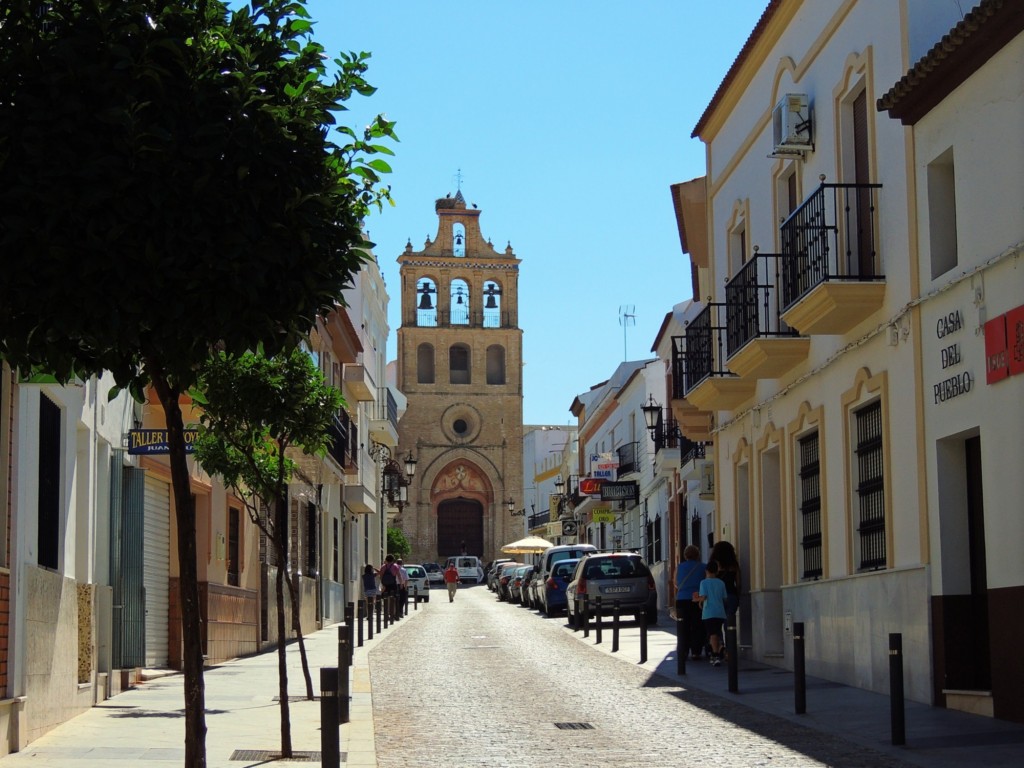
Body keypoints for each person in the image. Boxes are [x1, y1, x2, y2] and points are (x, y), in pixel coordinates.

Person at [675, 545, 707, 660]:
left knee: (683, 627)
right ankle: (696, 652)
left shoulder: (679, 567)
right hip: (697, 600)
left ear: (685, 555)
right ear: (697, 555)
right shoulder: (703, 567)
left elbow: (676, 583)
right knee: (697, 626)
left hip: (682, 599)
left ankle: (683, 651)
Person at [696, 559, 728, 666]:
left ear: (706, 571)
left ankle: (715, 655)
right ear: (717, 571)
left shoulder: (703, 583)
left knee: (712, 634)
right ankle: (719, 648)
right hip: (720, 611)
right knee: (716, 633)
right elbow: (724, 598)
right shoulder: (721, 583)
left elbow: (704, 597)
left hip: (709, 612)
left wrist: (697, 600)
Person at [710, 540, 741, 620]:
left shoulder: (713, 565)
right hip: (731, 595)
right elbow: (738, 583)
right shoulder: (734, 565)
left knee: (717, 623)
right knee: (730, 622)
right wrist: (738, 596)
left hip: (717, 597)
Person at [379, 554, 399, 618]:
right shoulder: (395, 566)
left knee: (386, 600)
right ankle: (393, 614)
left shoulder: (383, 567)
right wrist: (401, 583)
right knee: (393, 599)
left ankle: (386, 614)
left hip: (385, 585)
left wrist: (382, 584)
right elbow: (398, 575)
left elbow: (381, 576)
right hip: (393, 585)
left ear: (386, 560)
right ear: (393, 560)